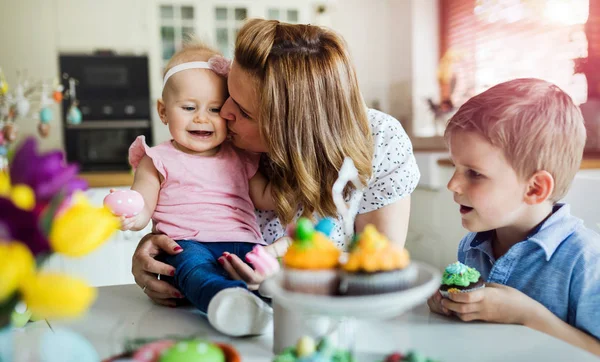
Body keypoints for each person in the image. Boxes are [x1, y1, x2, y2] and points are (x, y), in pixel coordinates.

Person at [132, 19, 420, 336]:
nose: (223, 113)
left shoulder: (379, 141)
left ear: (289, 127)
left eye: (243, 111)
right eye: (228, 93)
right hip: (210, 323)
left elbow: (379, 272)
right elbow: (183, 206)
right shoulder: (216, 138)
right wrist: (155, 248)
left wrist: (278, 277)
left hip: (329, 332)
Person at [427, 78, 600, 355]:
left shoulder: (586, 261)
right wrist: (451, 307)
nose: (453, 184)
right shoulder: (471, 248)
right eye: (454, 167)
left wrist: (526, 315)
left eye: (474, 173)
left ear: (534, 189)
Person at [120, 39, 277, 331]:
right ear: (164, 111)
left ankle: (269, 306)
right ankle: (227, 302)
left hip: (245, 240)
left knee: (266, 270)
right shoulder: (156, 159)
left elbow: (264, 197)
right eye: (190, 107)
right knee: (195, 271)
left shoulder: (241, 156)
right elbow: (142, 204)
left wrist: (295, 187)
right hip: (188, 243)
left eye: (215, 109)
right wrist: (130, 215)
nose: (202, 118)